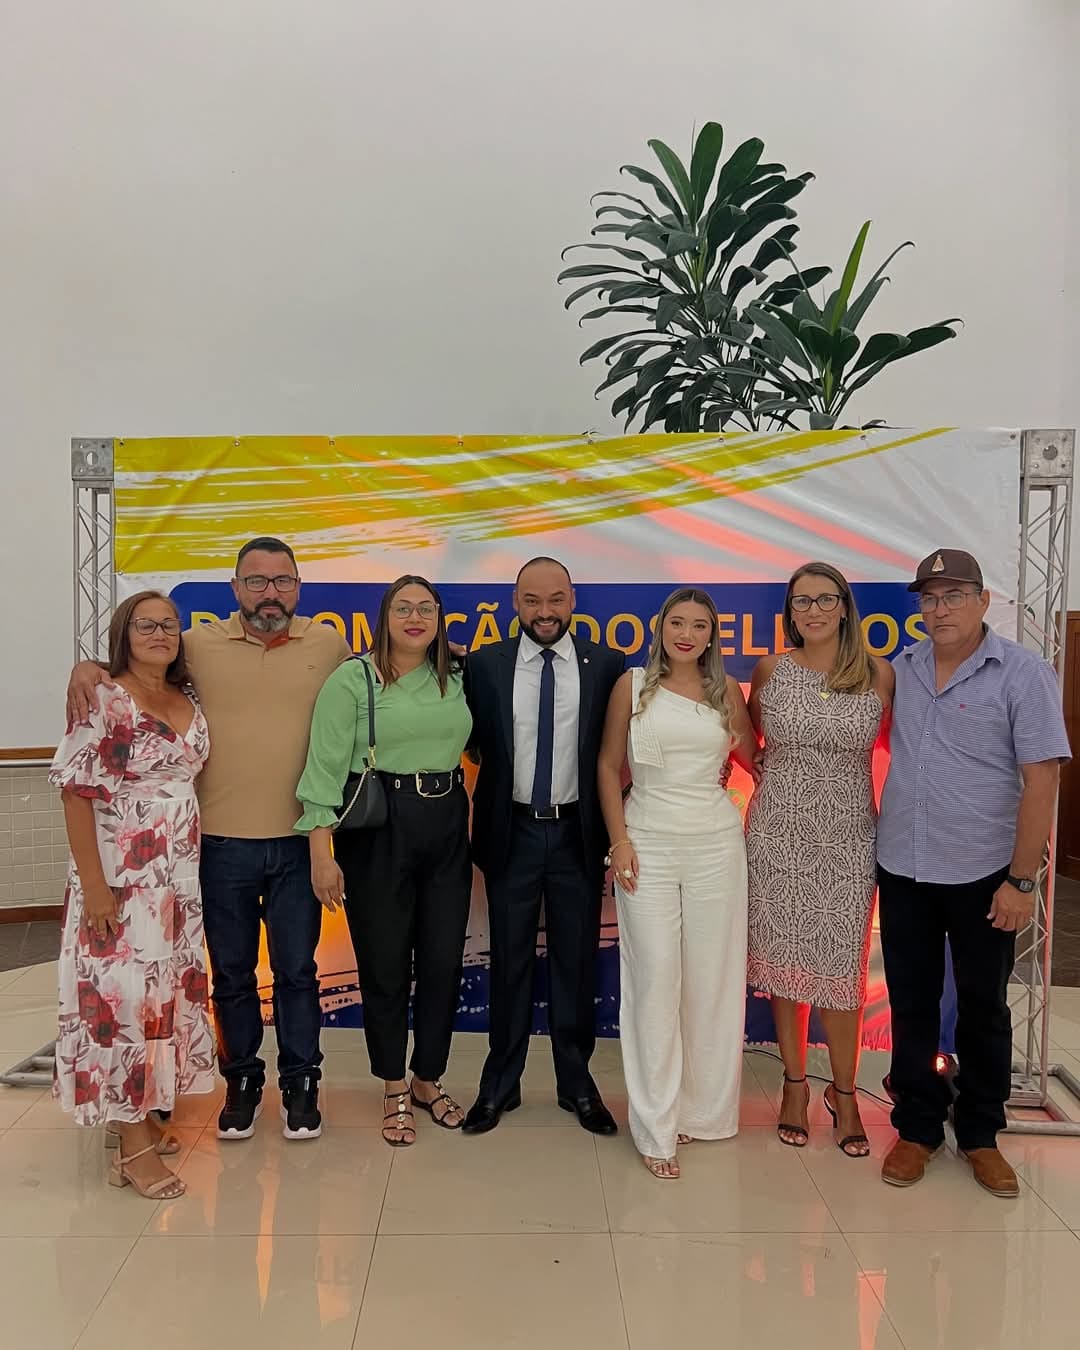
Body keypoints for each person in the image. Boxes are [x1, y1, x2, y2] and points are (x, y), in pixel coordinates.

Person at [65, 537, 351, 1142]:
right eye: (256, 581)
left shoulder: (329, 645)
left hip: (300, 842)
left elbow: (381, 682)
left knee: (298, 972)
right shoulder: (193, 644)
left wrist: (449, 657)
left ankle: (301, 1083)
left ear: (298, 588)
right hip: (217, 847)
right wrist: (85, 667)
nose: (270, 593)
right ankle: (241, 1080)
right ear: (235, 588)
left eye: (282, 581)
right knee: (231, 974)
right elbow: (132, 666)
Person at [877, 548, 1071, 1197]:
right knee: (911, 1001)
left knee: (983, 1005)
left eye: (954, 596)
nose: (940, 609)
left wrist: (1022, 880)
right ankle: (917, 1127)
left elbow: (1042, 779)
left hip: (985, 874)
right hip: (903, 865)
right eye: (930, 599)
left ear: (984, 601)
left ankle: (982, 1132)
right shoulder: (902, 668)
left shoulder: (1023, 673)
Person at [295, 576, 473, 1147]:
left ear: (440, 618)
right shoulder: (354, 678)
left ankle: (427, 1078)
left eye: (426, 608)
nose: (415, 618)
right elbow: (323, 768)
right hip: (379, 828)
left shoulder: (457, 675)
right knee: (385, 964)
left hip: (448, 821)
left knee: (443, 961)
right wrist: (321, 852)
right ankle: (394, 1084)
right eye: (403, 608)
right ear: (385, 617)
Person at [51, 591, 215, 1199]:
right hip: (122, 884)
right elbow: (75, 793)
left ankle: (139, 1117)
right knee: (118, 1007)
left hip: (176, 884)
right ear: (123, 633)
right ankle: (132, 1149)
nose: (160, 633)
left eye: (169, 625)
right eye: (146, 624)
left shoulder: (185, 695)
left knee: (156, 1004)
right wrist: (95, 888)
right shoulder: (104, 699)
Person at [462, 557, 625, 1135]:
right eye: (532, 600)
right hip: (513, 831)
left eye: (556, 599)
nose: (545, 611)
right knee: (508, 962)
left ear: (573, 601)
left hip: (578, 833)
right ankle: (499, 1086)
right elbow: (474, 742)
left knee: (575, 964)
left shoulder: (607, 665)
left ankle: (576, 1085)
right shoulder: (484, 665)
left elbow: (616, 752)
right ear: (516, 603)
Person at [597, 588, 755, 1178]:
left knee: (711, 980)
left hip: (717, 844)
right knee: (655, 978)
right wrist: (619, 841)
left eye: (700, 625)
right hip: (647, 842)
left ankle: (701, 1112)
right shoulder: (632, 685)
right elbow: (607, 766)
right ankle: (655, 1126)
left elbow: (757, 761)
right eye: (677, 623)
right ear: (660, 628)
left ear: (713, 635)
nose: (687, 635)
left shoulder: (727, 691)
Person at [745, 562, 894, 1157]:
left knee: (840, 970)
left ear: (844, 606)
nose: (812, 610)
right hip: (778, 836)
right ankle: (793, 1084)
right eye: (801, 601)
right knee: (786, 965)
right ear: (790, 611)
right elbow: (750, 741)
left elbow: (903, 746)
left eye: (824, 599)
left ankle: (845, 1092)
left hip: (848, 838)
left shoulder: (879, 674)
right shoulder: (770, 670)